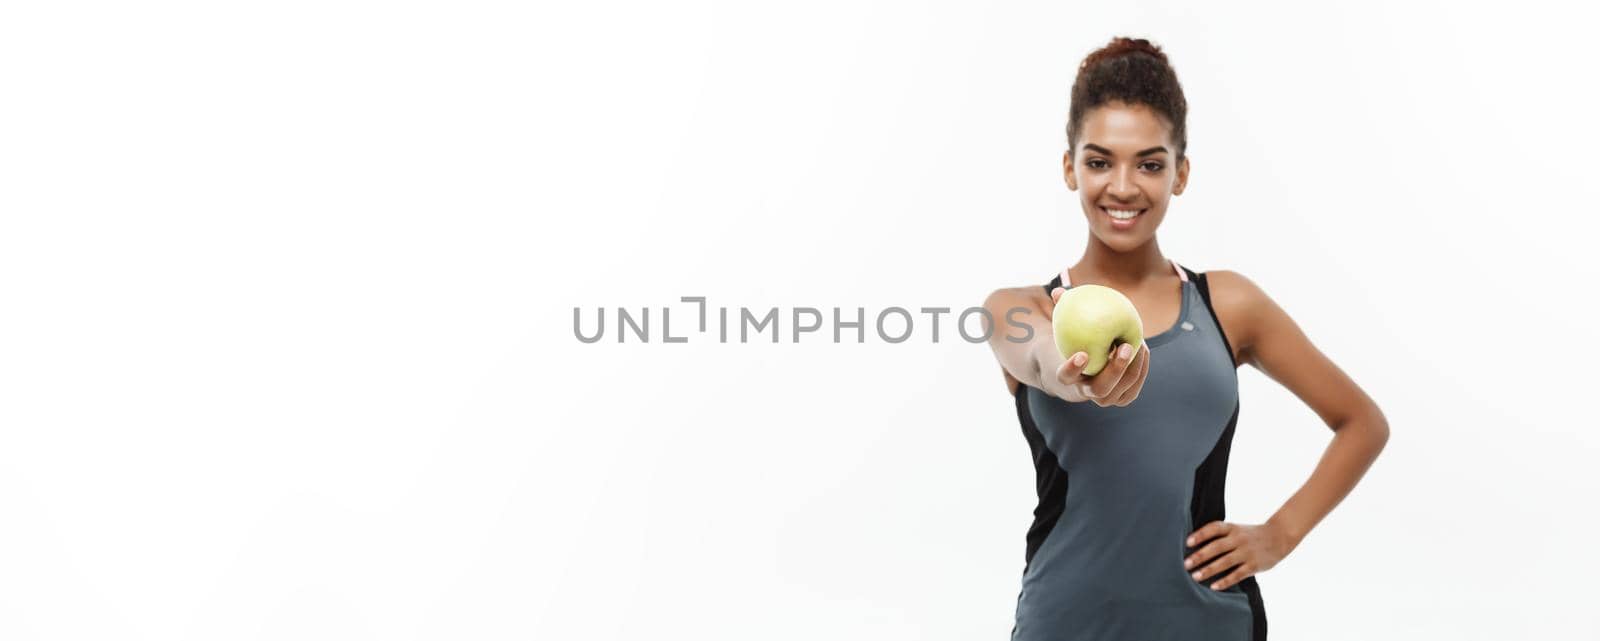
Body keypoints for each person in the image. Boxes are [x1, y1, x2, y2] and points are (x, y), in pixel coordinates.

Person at [981, 37, 1389, 641]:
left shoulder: (1229, 304)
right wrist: (1071, 373)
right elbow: (1039, 356)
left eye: (1149, 163)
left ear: (1181, 173)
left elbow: (1361, 422)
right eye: (1099, 161)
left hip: (1211, 625)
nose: (1123, 187)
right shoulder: (1021, 309)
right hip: (1063, 625)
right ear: (1070, 168)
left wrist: (1278, 535)